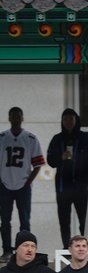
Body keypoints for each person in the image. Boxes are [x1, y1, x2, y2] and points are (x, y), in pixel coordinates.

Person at [46, 108, 88, 249]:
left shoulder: (85, 139)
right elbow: (50, 160)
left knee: (84, 220)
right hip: (63, 187)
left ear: (76, 120)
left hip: (80, 186)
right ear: (62, 121)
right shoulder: (57, 139)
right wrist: (60, 157)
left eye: (71, 119)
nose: (68, 122)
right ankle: (67, 248)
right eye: (65, 119)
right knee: (64, 221)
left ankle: (85, 247)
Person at [0, 107, 44, 263]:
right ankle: (6, 250)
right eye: (13, 116)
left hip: (23, 185)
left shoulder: (30, 138)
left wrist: (28, 183)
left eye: (18, 116)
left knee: (24, 220)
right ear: (9, 118)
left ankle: (24, 251)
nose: (16, 119)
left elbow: (38, 164)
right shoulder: (3, 137)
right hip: (5, 185)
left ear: (22, 118)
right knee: (5, 220)